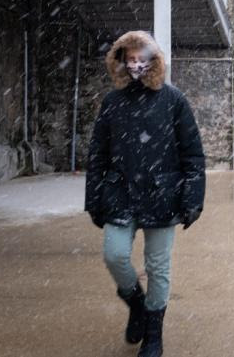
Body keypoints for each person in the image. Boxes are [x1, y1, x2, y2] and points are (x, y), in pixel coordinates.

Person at [84, 30, 205, 357]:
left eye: (142, 58)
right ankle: (135, 302)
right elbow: (97, 155)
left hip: (162, 195)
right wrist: (93, 199)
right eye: (130, 59)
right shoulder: (111, 103)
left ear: (153, 60)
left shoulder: (173, 101)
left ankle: (154, 335)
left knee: (158, 267)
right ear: (121, 61)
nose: (136, 65)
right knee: (115, 254)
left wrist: (193, 198)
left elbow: (192, 154)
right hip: (120, 194)